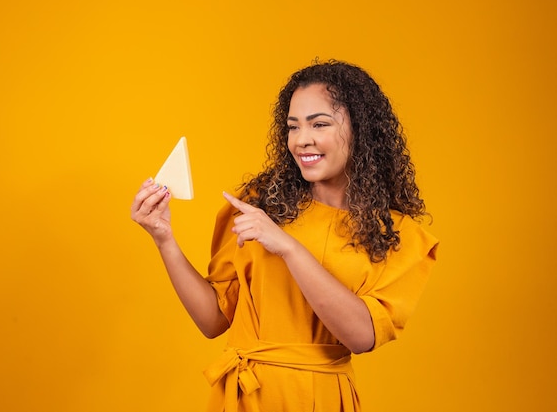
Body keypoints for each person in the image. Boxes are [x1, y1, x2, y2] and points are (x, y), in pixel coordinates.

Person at [131, 59, 439, 412]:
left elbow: (361, 336)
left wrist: (288, 247)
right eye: (293, 127)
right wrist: (164, 239)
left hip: (319, 399)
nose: (302, 140)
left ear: (362, 130)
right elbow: (213, 320)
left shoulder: (398, 234)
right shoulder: (258, 205)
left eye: (319, 124)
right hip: (244, 398)